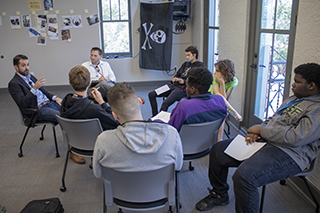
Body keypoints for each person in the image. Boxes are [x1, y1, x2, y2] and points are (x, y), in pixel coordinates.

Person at [195, 63, 320, 213]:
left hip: (290, 153)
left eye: (297, 82)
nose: (292, 85)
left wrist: (262, 130)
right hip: (267, 140)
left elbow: (296, 137)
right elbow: (273, 119)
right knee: (218, 151)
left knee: (244, 177)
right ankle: (219, 194)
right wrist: (259, 132)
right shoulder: (293, 99)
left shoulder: (316, 109)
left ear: (312, 85)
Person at [93, 82, 183, 177]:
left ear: (114, 115)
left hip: (121, 190)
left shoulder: (103, 140)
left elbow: (98, 173)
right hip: (159, 190)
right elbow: (178, 166)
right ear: (140, 102)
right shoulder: (171, 134)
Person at [59, 65, 119, 164]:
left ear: (70, 83)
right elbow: (115, 121)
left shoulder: (64, 103)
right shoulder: (94, 109)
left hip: (74, 144)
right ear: (89, 82)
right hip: (96, 145)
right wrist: (102, 103)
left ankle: (72, 153)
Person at [168, 67, 242, 131]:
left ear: (192, 89)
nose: (186, 88)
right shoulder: (220, 102)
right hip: (207, 145)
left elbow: (171, 129)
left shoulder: (183, 106)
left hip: (183, 145)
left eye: (187, 86)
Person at [148, 46, 205, 117]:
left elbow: (196, 80)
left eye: (189, 55)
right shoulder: (185, 64)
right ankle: (155, 116)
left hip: (182, 88)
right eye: (186, 55)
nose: (187, 57)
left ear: (194, 55)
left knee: (165, 103)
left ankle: (160, 122)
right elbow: (177, 74)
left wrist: (184, 81)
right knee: (151, 94)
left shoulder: (199, 66)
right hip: (173, 85)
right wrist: (175, 78)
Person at [8, 54, 61, 126]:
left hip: (49, 104)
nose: (27, 68)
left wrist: (56, 98)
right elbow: (23, 103)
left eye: (27, 65)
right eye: (23, 65)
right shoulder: (14, 83)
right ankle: (72, 136)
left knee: (72, 109)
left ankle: (74, 135)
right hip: (37, 111)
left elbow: (44, 92)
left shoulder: (30, 77)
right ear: (16, 67)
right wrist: (34, 88)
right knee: (63, 117)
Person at [208, 59, 239, 141]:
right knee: (222, 109)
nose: (214, 73)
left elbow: (224, 99)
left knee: (222, 111)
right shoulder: (215, 76)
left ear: (224, 73)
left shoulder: (233, 81)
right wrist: (233, 111)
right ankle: (234, 112)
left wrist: (222, 83)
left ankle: (219, 141)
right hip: (210, 98)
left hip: (222, 103)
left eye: (217, 71)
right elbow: (217, 94)